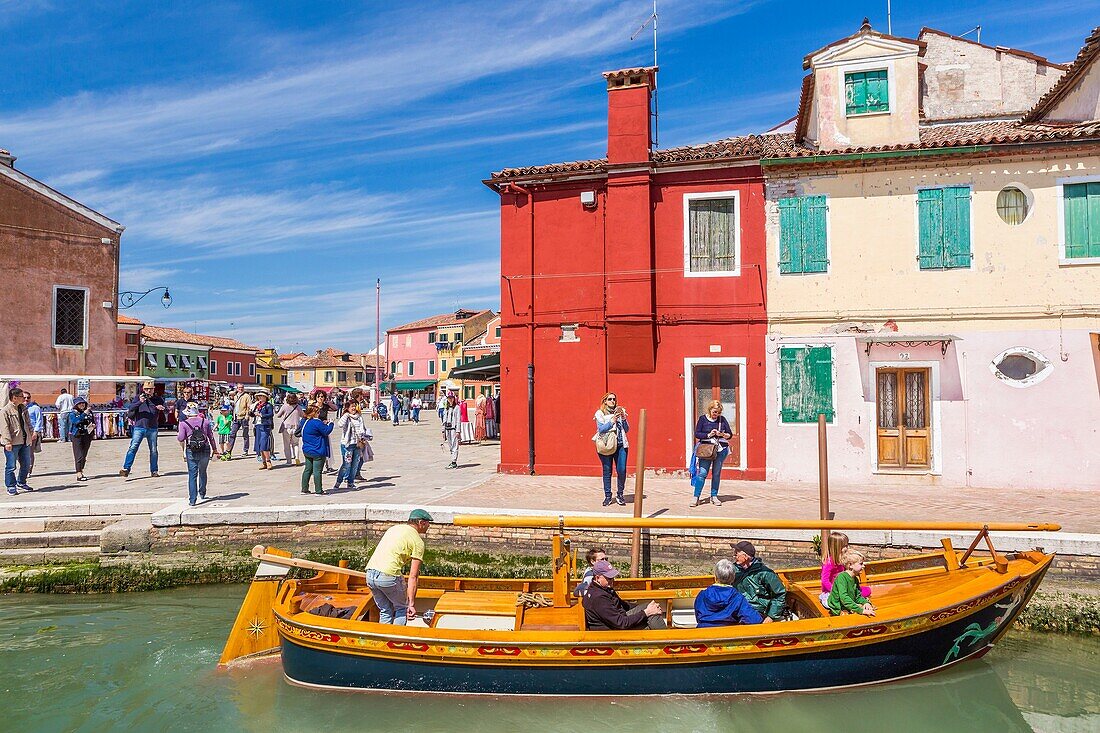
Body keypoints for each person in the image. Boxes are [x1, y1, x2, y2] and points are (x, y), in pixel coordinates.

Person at [365, 509, 433, 625]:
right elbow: (413, 576)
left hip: (370, 574)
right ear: (421, 523)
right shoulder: (418, 542)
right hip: (388, 576)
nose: (429, 526)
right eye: (428, 523)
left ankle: (384, 639)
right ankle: (396, 640)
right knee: (402, 609)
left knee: (385, 610)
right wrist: (411, 604)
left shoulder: (394, 528)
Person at [582, 560, 666, 630]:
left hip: (620, 619)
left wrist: (649, 609)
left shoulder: (604, 588)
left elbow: (624, 605)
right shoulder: (599, 598)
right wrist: (646, 612)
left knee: (651, 607)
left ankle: (666, 639)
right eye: (609, 578)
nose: (612, 580)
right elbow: (621, 623)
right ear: (597, 578)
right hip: (612, 631)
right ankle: (667, 641)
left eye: (613, 577)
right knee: (651, 619)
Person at [694, 559, 763, 627]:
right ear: (733, 578)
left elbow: (698, 617)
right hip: (728, 632)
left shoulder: (702, 595)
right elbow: (754, 620)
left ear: (716, 577)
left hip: (703, 632)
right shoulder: (737, 597)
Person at [691, 400, 733, 508]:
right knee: (702, 473)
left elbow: (730, 434)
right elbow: (697, 433)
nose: (716, 415)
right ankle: (696, 496)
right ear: (710, 410)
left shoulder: (722, 420)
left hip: (720, 449)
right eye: (715, 412)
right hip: (706, 450)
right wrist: (709, 434)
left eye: (718, 412)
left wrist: (722, 434)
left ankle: (714, 496)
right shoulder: (702, 419)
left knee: (716, 473)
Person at [732, 541, 787, 623]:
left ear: (745, 556)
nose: (734, 556)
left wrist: (771, 616)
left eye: (736, 554)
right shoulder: (733, 570)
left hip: (757, 611)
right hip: (737, 608)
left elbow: (779, 594)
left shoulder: (765, 573)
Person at [177, 402, 220, 506]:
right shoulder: (205, 422)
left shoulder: (183, 423)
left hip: (191, 450)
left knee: (192, 474)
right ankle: (202, 492)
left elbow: (181, 438)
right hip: (205, 448)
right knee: (203, 471)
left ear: (187, 413)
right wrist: (215, 449)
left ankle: (192, 499)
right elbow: (211, 437)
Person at [120, 380, 164, 478]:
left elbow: (165, 409)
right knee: (133, 447)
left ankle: (154, 470)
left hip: (152, 427)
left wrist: (161, 408)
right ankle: (126, 468)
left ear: (153, 389)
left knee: (153, 450)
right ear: (143, 389)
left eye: (150, 389)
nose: (148, 391)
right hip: (139, 427)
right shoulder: (138, 398)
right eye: (146, 389)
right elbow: (131, 408)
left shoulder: (158, 399)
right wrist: (140, 401)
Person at [592, 392, 629, 507]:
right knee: (607, 471)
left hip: (621, 444)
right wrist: (612, 421)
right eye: (610, 399)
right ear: (605, 401)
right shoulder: (600, 413)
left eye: (614, 399)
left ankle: (620, 494)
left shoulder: (620, 411)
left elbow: (627, 429)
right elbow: (601, 429)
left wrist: (623, 418)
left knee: (622, 470)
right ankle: (608, 496)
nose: (612, 401)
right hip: (607, 444)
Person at [820, 531, 872, 607]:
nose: (847, 548)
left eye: (847, 545)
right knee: (833, 602)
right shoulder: (829, 563)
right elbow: (825, 581)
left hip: (844, 588)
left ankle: (851, 600)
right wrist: (834, 591)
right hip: (831, 591)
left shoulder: (843, 559)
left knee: (867, 590)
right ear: (837, 547)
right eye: (845, 546)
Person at [1, 388, 34, 495]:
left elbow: (28, 423)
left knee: (26, 464)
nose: (24, 399)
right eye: (22, 397)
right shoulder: (5, 411)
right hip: (13, 442)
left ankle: (21, 482)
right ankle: (11, 486)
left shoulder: (23, 408)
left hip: (24, 441)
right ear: (14, 398)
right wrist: (7, 442)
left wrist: (32, 433)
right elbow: (4, 428)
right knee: (11, 466)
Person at [827, 549, 876, 617]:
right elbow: (844, 598)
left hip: (848, 604)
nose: (863, 566)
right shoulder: (841, 577)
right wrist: (861, 611)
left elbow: (858, 596)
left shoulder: (855, 579)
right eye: (861, 564)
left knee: (869, 608)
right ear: (850, 565)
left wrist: (865, 603)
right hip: (839, 607)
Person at [299, 406, 333, 495]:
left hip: (307, 450)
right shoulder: (317, 422)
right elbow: (326, 431)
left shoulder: (305, 421)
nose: (319, 414)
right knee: (317, 471)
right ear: (314, 413)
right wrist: (331, 424)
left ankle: (304, 489)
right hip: (318, 450)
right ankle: (319, 490)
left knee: (307, 470)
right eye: (318, 412)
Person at [334, 402, 366, 490]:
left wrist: (362, 437)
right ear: (347, 408)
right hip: (347, 444)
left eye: (355, 406)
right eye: (352, 406)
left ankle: (350, 482)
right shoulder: (346, 417)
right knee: (346, 464)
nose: (354, 408)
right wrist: (346, 414)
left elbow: (362, 428)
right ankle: (338, 482)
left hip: (357, 444)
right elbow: (340, 424)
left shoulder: (359, 417)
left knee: (355, 464)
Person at [69, 396, 96, 482]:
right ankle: (78, 473)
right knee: (79, 455)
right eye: (79, 404)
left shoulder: (89, 412)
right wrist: (84, 413)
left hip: (87, 434)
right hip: (77, 435)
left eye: (83, 403)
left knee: (84, 455)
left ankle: (81, 469)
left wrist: (93, 426)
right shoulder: (73, 413)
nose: (82, 405)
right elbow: (76, 422)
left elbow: (92, 420)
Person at [275, 394, 303, 467]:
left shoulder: (285, 406)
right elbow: (303, 415)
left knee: (286, 445)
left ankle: (289, 461)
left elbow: (278, 415)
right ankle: (297, 458)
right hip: (296, 428)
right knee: (296, 444)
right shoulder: (298, 407)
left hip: (286, 428)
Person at [227, 384, 253, 458]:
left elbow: (249, 406)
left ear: (243, 388)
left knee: (245, 435)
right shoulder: (235, 396)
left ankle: (245, 450)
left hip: (243, 417)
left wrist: (247, 415)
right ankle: (229, 451)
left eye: (241, 388)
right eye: (239, 388)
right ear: (237, 388)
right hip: (236, 418)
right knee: (232, 434)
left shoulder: (247, 396)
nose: (240, 389)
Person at [252, 392, 275, 470]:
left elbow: (271, 414)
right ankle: (264, 462)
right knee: (259, 445)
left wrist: (261, 415)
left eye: (261, 396)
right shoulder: (257, 405)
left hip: (265, 425)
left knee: (264, 444)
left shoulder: (268, 405)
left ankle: (268, 461)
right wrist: (251, 412)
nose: (260, 398)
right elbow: (252, 414)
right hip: (257, 425)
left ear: (265, 397)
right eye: (259, 396)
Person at [24, 392, 43, 476]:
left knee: (29, 452)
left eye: (28, 397)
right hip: (21, 433)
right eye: (24, 397)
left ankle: (28, 470)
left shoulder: (35, 408)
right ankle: (23, 467)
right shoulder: (19, 408)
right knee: (20, 453)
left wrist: (36, 432)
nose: (26, 399)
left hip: (32, 432)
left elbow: (39, 420)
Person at [440, 392, 460, 469]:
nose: (450, 399)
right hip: (447, 428)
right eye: (449, 398)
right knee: (450, 445)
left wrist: (458, 430)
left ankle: (454, 461)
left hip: (454, 429)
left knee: (455, 445)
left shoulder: (457, 407)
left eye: (451, 398)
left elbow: (458, 420)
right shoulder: (446, 408)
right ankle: (452, 459)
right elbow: (444, 420)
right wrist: (443, 430)